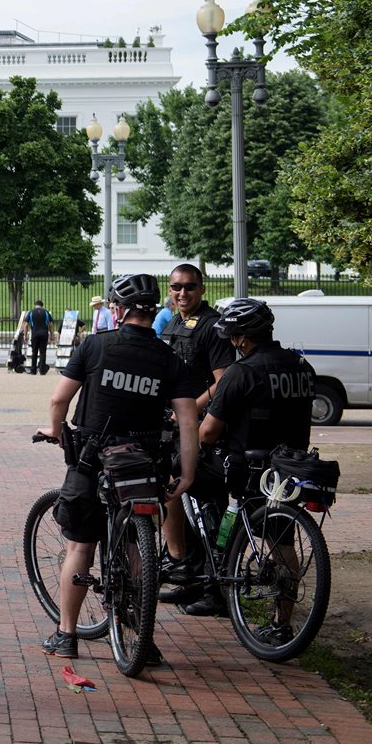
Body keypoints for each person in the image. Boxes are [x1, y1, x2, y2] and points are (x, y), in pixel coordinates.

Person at [36, 274, 198, 662]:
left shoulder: (94, 346)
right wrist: (187, 475)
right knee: (135, 547)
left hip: (93, 457)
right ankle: (142, 636)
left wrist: (55, 430)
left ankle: (67, 635)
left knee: (80, 545)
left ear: (118, 309)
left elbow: (59, 399)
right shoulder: (168, 358)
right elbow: (188, 420)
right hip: (144, 463)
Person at [198, 298, 315, 640]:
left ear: (242, 339)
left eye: (232, 336)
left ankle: (213, 557)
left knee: (188, 478)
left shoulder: (241, 372)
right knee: (282, 542)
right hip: (290, 468)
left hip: (248, 469)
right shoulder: (300, 366)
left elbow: (208, 432)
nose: (232, 343)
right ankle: (282, 623)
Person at [158, 263, 236, 607]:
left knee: (208, 509)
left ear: (201, 289)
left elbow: (224, 380)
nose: (182, 293)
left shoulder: (214, 326)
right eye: (176, 287)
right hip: (177, 428)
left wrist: (191, 409)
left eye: (189, 287)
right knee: (173, 494)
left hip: (206, 430)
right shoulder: (173, 321)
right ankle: (188, 574)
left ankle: (215, 591)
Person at [19, 300, 52, 375]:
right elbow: (50, 324)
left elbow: (26, 325)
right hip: (44, 334)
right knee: (43, 352)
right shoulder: (46, 312)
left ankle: (33, 370)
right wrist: (52, 334)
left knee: (34, 352)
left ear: (35, 305)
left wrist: (25, 335)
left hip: (35, 334)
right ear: (42, 305)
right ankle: (42, 370)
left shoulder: (31, 312)